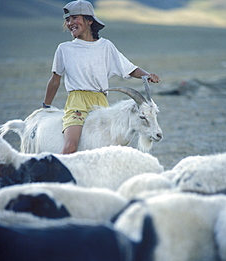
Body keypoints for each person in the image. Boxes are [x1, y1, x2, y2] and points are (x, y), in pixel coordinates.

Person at [43, 0, 160, 154]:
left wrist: (146, 75)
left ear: (89, 20)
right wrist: (46, 107)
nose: (70, 23)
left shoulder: (106, 46)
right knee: (71, 147)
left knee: (109, 150)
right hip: (76, 103)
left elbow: (128, 68)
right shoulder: (64, 49)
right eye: (67, 20)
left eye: (74, 18)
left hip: (100, 102)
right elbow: (55, 81)